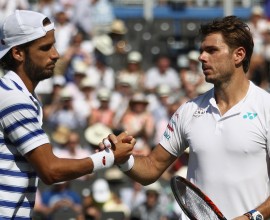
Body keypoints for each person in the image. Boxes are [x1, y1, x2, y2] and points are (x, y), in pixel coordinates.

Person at [102, 16, 270, 220]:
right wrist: (123, 160)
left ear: (239, 55)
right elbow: (152, 167)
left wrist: (250, 217)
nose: (202, 57)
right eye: (201, 50)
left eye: (212, 50)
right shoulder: (188, 111)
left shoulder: (266, 108)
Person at [0, 10, 134, 219]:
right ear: (18, 53)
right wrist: (109, 158)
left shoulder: (13, 93)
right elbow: (51, 170)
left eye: (53, 45)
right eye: (45, 48)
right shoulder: (14, 100)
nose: (56, 54)